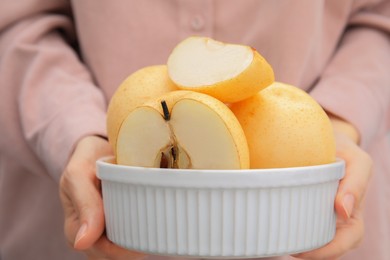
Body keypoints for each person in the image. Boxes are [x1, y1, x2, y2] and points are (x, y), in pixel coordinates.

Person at [0, 1, 389, 259]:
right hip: (64, 223)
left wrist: (341, 120)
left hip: (322, 208)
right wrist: (76, 132)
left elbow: (379, 18)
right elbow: (15, 22)